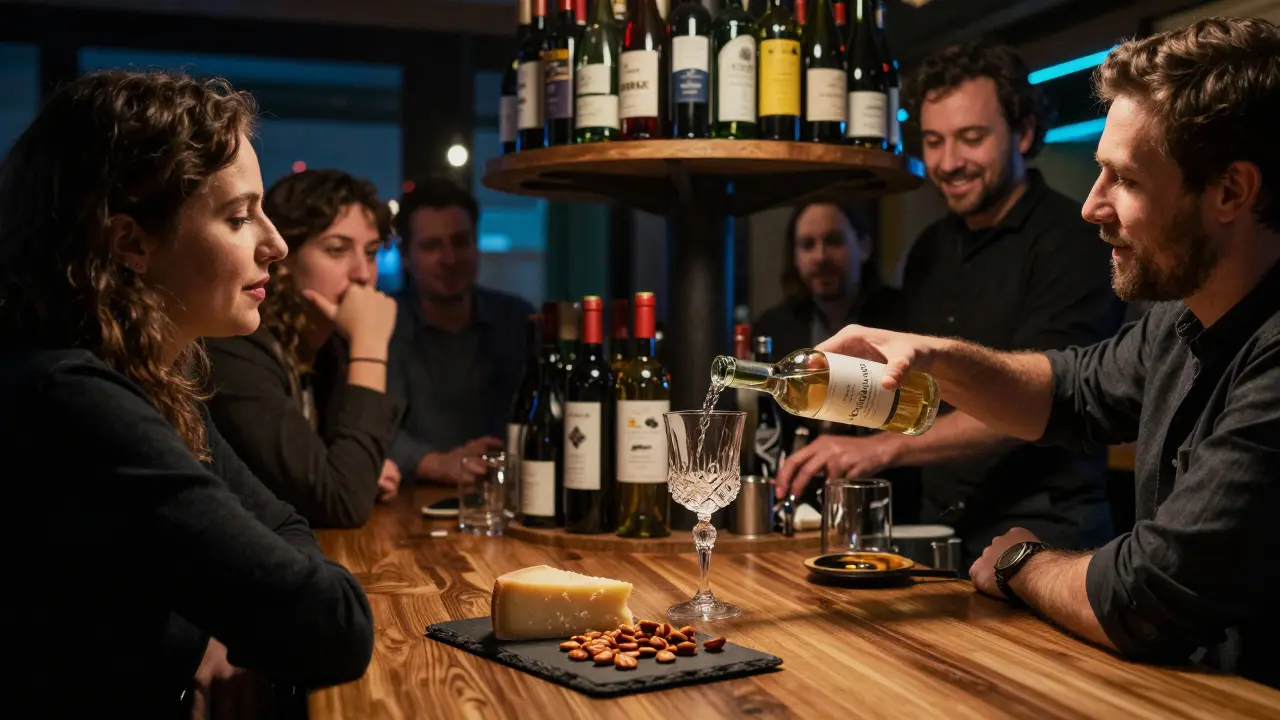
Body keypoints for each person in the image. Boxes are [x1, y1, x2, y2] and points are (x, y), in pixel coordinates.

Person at [817, 17, 1280, 685]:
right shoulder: (1180, 320)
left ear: (1231, 191)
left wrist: (1022, 562)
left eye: (1126, 180)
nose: (1092, 206)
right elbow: (1069, 391)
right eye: (1099, 173)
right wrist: (930, 355)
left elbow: (1147, 591)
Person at [0, 71, 374, 714]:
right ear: (131, 242)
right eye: (239, 217)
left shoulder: (143, 374)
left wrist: (219, 630)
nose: (276, 245)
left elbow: (283, 522)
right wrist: (234, 623)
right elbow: (334, 626)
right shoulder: (73, 402)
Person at [776, 40, 1125, 562]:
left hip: (1045, 538)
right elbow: (913, 384)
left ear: (1023, 133)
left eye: (971, 138)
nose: (948, 162)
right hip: (938, 532)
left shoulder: (1072, 243)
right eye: (934, 141)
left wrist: (879, 448)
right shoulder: (929, 249)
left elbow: (1042, 397)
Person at [204, 169, 405, 528]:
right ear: (284, 259)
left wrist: (357, 471)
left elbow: (345, 473)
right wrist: (370, 345)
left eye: (372, 252)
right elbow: (343, 501)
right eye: (337, 250)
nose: (363, 274)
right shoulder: (237, 348)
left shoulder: (328, 348)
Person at [388, 178, 535, 484]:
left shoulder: (517, 320)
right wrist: (435, 463)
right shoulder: (385, 324)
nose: (450, 259)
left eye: (460, 242)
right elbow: (368, 428)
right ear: (405, 255)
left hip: (508, 491)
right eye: (431, 246)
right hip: (409, 499)